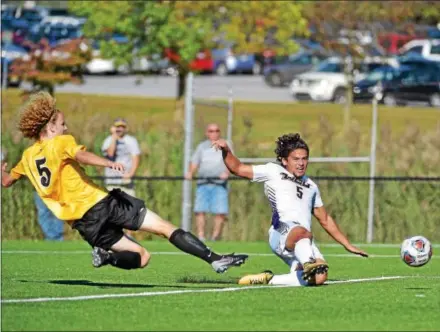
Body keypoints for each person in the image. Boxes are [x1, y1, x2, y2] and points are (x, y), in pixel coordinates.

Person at [1, 92, 248, 273]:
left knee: (142, 257)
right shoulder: (60, 142)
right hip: (103, 204)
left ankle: (107, 258)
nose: (66, 128)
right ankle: (214, 258)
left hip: (84, 224)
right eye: (62, 124)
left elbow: (7, 181)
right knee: (165, 228)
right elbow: (81, 155)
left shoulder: (27, 157)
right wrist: (107, 163)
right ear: (50, 128)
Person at [212, 133, 368, 286]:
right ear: (284, 161)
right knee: (301, 232)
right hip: (282, 232)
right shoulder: (273, 171)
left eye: (304, 158)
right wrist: (226, 150)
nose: (301, 163)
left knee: (320, 276)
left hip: (304, 240)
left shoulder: (311, 186)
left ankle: (269, 279)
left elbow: (325, 219)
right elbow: (238, 168)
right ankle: (308, 262)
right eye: (296, 159)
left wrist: (347, 244)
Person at [185, 123, 231, 241]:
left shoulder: (225, 145)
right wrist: (190, 172)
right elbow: (195, 162)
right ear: (207, 133)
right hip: (203, 183)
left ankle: (215, 237)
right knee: (200, 210)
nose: (214, 133)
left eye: (216, 130)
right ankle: (201, 236)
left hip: (220, 184)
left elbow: (231, 161)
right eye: (211, 131)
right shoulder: (202, 147)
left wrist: (227, 172)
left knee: (220, 212)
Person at [101, 118, 140, 197]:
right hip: (111, 181)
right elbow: (110, 154)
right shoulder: (108, 140)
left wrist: (130, 174)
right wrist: (114, 137)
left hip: (126, 181)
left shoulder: (131, 140)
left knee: (131, 206)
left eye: (122, 127)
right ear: (113, 128)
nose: (120, 129)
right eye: (117, 126)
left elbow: (135, 158)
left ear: (125, 128)